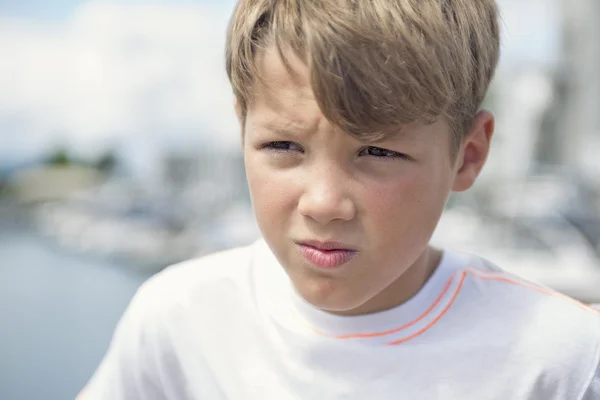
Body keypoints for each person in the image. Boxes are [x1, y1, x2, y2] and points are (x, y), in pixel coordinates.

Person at [78, 0, 600, 399]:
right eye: (283, 145)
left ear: (467, 156)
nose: (324, 203)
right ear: (242, 130)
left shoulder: (562, 359)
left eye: (377, 150)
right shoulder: (178, 319)